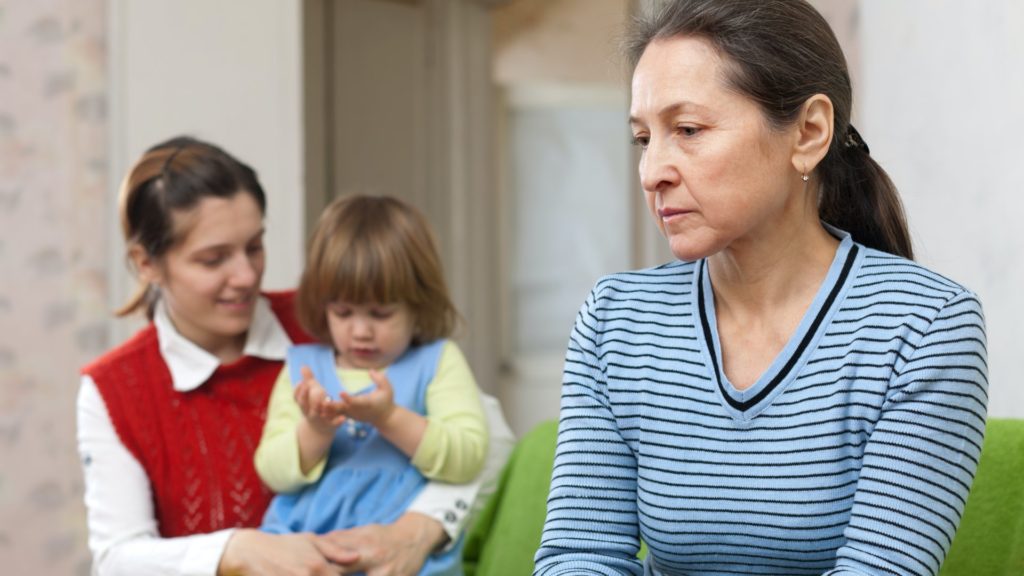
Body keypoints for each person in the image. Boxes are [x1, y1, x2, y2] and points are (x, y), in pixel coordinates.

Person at [533, 1, 988, 575]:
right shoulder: (616, 320)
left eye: (689, 130)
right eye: (643, 139)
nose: (652, 172)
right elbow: (581, 556)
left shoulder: (926, 325)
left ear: (809, 132)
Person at [77, 136, 515, 576]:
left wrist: (417, 531)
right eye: (214, 260)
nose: (247, 276)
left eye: (254, 247)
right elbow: (117, 559)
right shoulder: (114, 391)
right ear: (146, 263)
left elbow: (491, 439)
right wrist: (236, 550)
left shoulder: (336, 320)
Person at [254, 195, 488, 576]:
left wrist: (390, 418)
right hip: (305, 550)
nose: (360, 331)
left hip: (407, 560)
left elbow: (468, 456)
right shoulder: (303, 369)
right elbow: (272, 471)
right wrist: (315, 430)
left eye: (381, 313)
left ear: (419, 304)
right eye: (342, 312)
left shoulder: (436, 361)